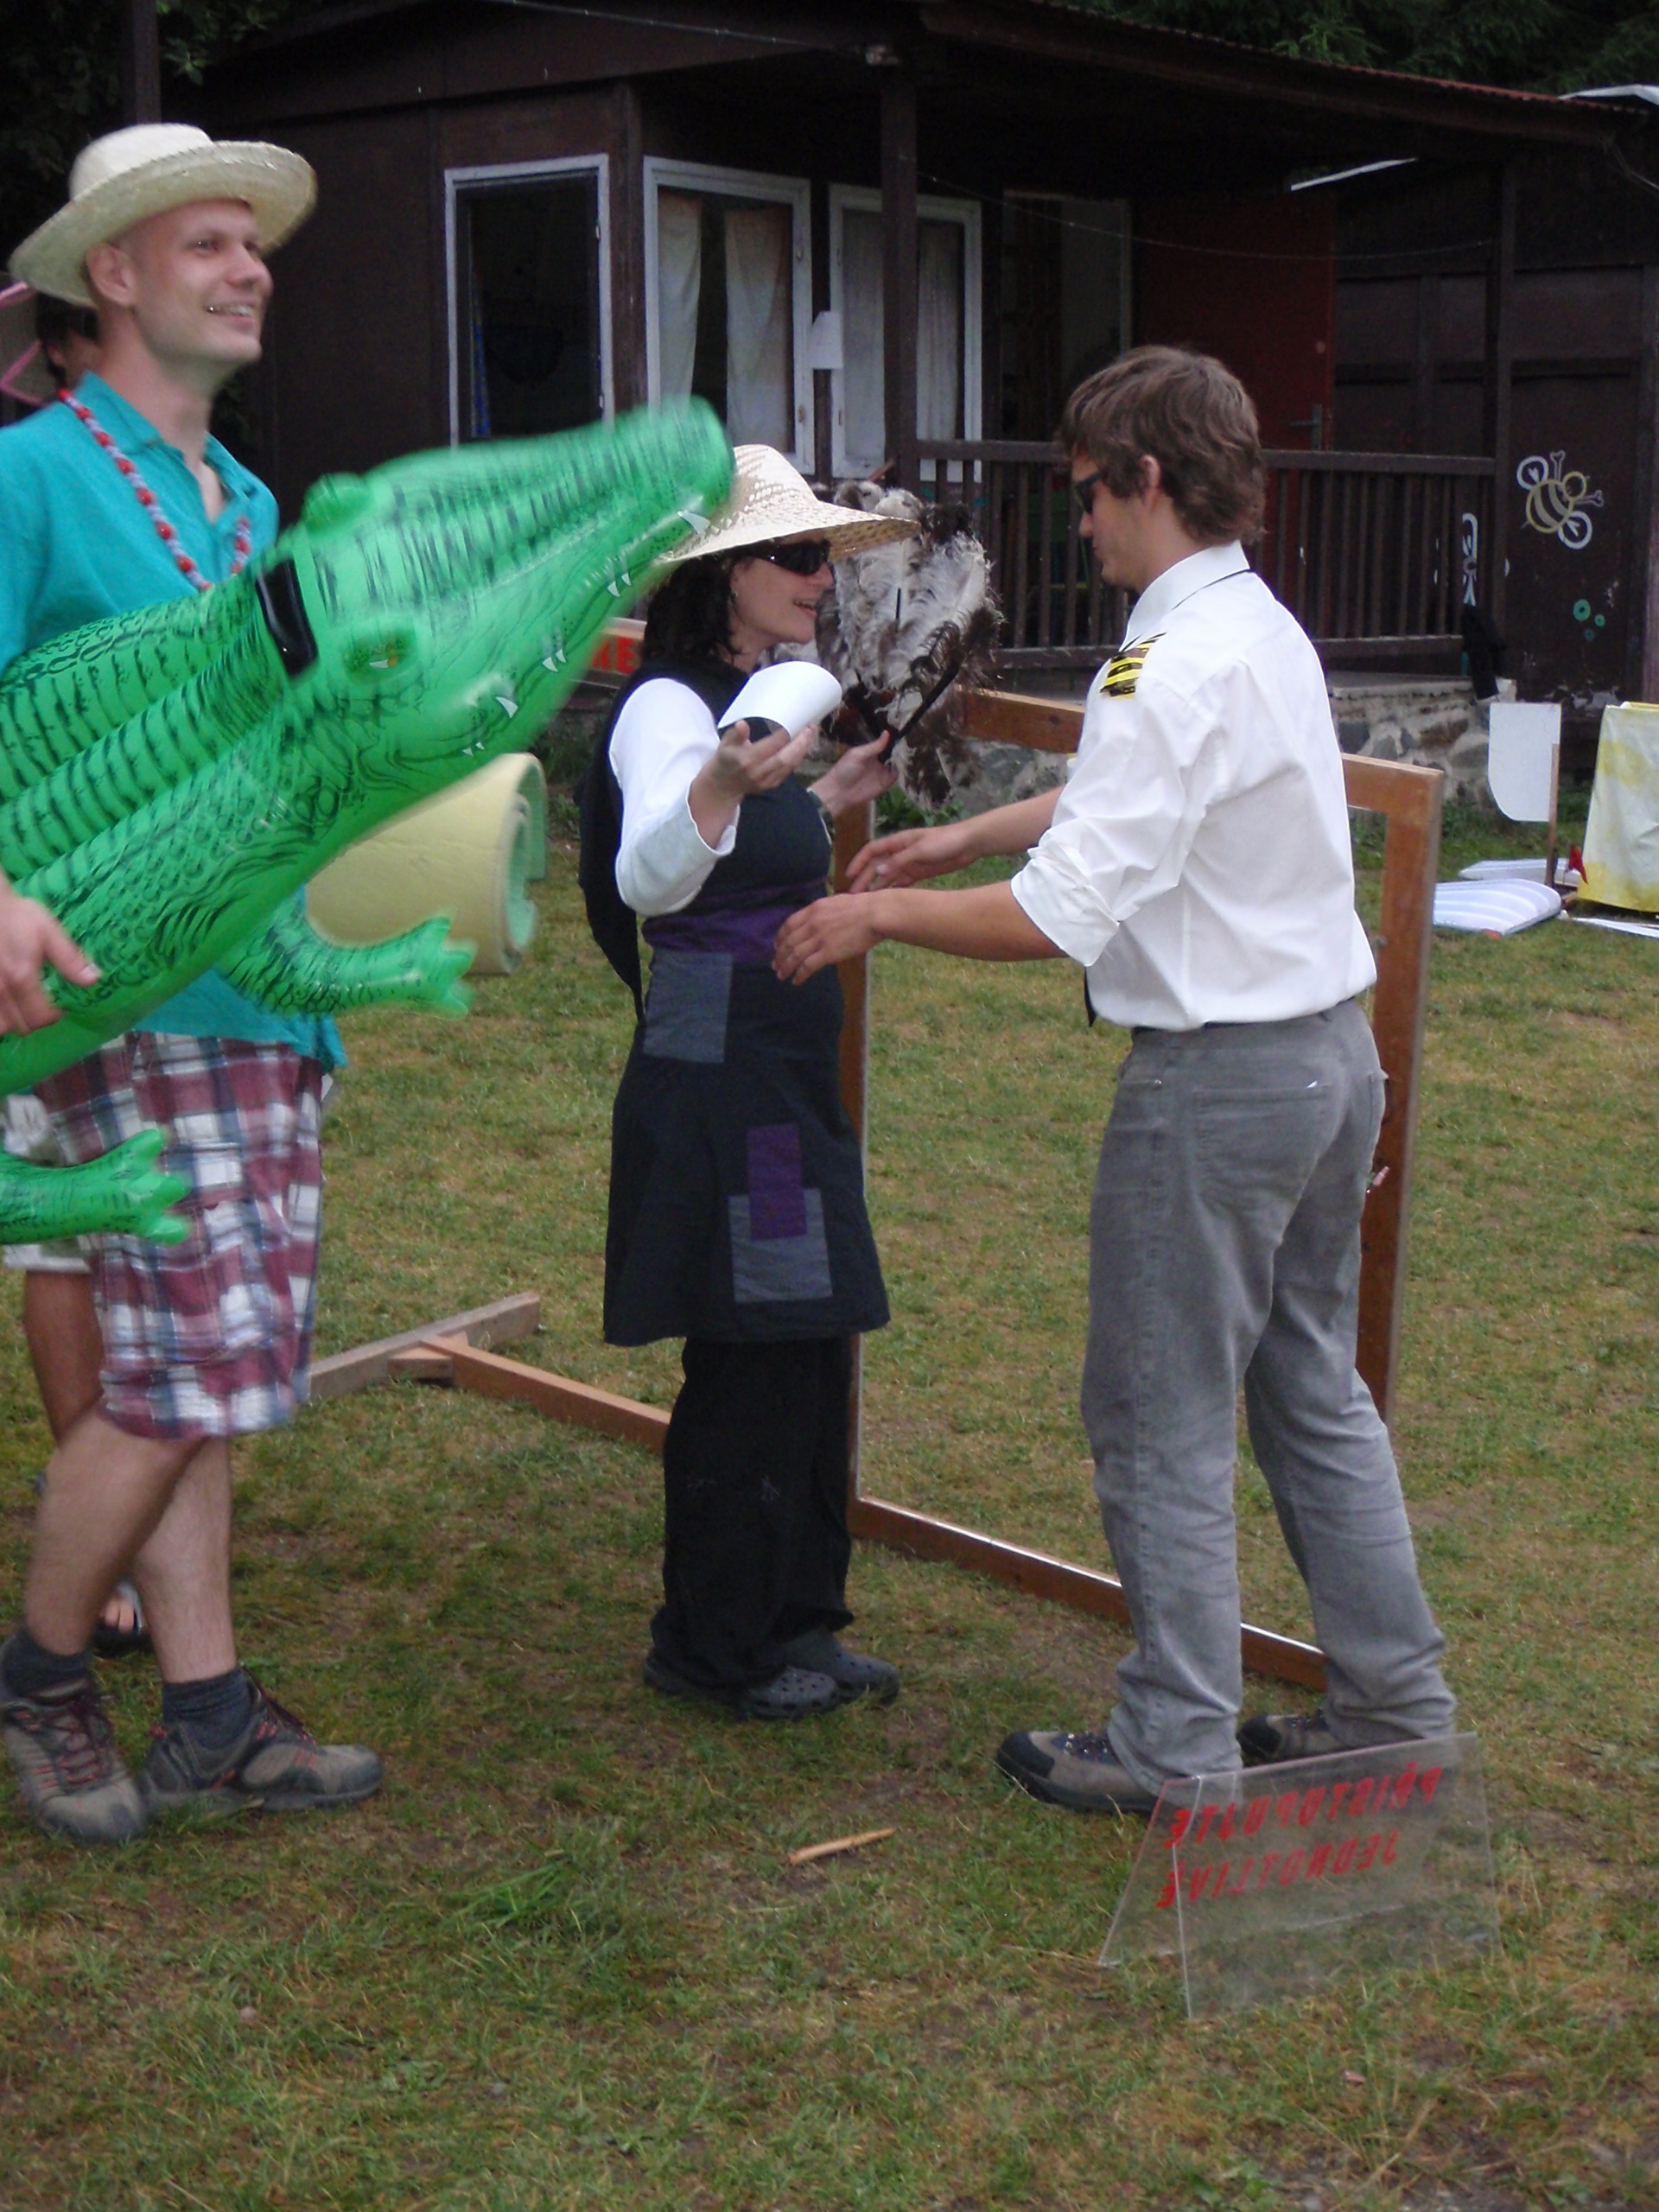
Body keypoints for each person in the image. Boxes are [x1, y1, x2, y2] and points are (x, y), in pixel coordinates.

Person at [773, 347, 1455, 1811]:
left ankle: (1175, 1746)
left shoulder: (1166, 658)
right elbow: (1135, 802)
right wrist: (963, 836)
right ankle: (1397, 1707)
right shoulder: (1256, 627)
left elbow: (1062, 914)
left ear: (1148, 480)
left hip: (1220, 1090)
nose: (1079, 523)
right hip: (1329, 1064)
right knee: (1311, 1393)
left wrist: (878, 917)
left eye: (1088, 492)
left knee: (1158, 1415)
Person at [0, 123, 382, 1844]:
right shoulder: (31, 478)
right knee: (174, 1380)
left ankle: (209, 1711)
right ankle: (39, 1675)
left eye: (254, 244)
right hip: (122, 982)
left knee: (208, 1372)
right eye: (207, 243)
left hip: (256, 991)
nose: (249, 270)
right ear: (114, 272)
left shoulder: (247, 505)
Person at [580, 446, 912, 1719]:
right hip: (727, 1075)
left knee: (807, 1339)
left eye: (824, 555)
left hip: (773, 1070)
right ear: (726, 571)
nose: (820, 577)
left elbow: (745, 858)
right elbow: (654, 878)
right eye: (796, 554)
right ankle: (715, 1645)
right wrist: (723, 776)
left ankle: (798, 1619)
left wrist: (825, 795)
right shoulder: (671, 708)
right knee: (758, 1346)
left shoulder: (757, 700)